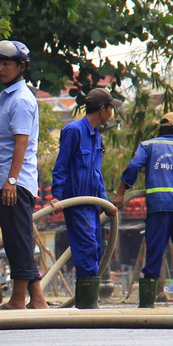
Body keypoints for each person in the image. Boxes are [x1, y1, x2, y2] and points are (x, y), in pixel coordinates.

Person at [115, 111, 173, 308]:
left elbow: (133, 168)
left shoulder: (148, 146)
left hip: (158, 207)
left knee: (154, 255)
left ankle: (146, 306)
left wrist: (120, 193)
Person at [51, 86, 123, 308]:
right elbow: (61, 165)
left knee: (97, 249)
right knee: (87, 248)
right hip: (77, 202)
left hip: (92, 203)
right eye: (111, 108)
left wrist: (105, 203)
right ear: (103, 109)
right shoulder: (74, 131)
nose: (112, 112)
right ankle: (87, 305)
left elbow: (95, 173)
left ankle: (88, 300)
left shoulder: (96, 136)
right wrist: (56, 196)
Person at [0, 39, 47, 309]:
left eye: (6, 64)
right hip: (8, 182)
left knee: (18, 240)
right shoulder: (10, 97)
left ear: (21, 67)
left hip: (16, 182)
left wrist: (10, 181)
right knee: (17, 238)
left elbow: (20, 143)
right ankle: (37, 299)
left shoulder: (22, 100)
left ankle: (18, 300)